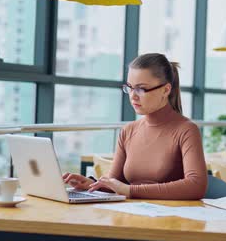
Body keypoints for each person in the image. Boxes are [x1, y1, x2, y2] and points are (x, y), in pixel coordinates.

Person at [62, 53, 208, 200]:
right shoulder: (128, 131)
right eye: (130, 87)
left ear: (166, 90)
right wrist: (90, 184)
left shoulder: (186, 130)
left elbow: (196, 186)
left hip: (168, 219)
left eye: (141, 89)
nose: (133, 96)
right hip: (131, 213)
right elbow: (116, 184)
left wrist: (131, 190)